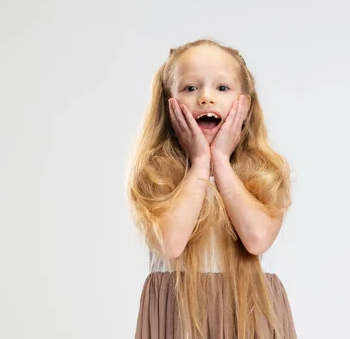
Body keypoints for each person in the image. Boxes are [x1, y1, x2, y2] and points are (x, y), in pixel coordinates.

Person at [127, 38, 297, 338]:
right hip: (178, 316)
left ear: (245, 104)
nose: (206, 98)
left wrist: (220, 161)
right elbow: (170, 243)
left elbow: (256, 239)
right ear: (168, 104)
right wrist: (199, 163)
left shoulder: (265, 171)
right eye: (190, 88)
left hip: (249, 311)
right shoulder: (155, 171)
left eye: (222, 88)